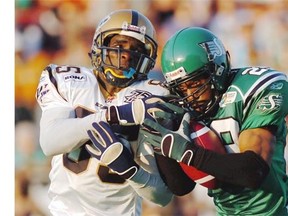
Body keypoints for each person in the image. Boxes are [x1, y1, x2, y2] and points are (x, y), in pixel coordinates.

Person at [35, 9, 177, 216]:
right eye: (119, 46)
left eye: (136, 49)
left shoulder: (152, 96)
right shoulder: (69, 81)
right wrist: (110, 117)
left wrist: (132, 171)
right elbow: (50, 142)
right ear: (100, 45)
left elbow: (163, 197)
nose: (126, 56)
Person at [141, 27, 288, 215]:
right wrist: (163, 146)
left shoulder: (254, 88)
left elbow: (253, 171)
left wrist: (188, 153)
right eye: (181, 88)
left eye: (194, 84)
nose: (189, 96)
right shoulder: (183, 105)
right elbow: (181, 186)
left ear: (217, 69)